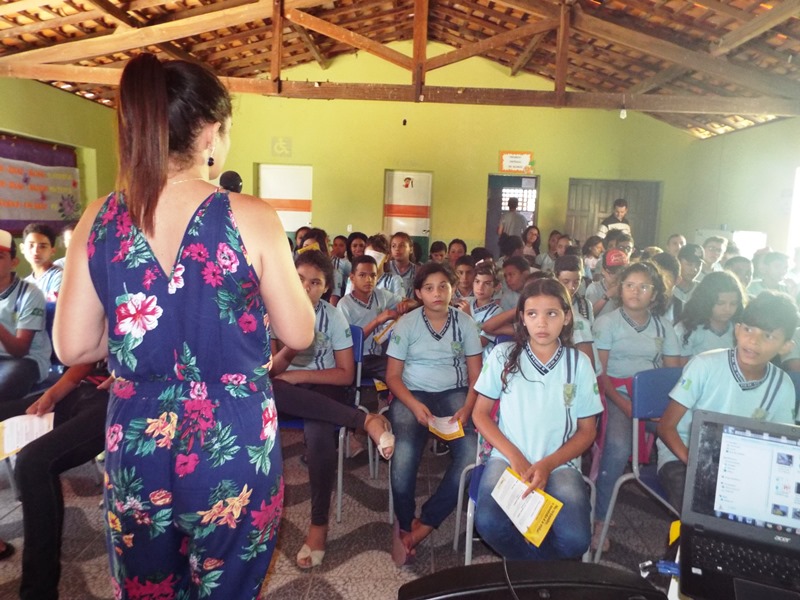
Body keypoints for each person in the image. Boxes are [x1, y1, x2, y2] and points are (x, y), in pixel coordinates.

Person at [53, 54, 315, 599]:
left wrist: (133, 331)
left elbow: (73, 344)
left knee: (148, 588)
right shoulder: (253, 217)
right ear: (212, 134)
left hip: (137, 438)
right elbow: (301, 333)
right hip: (233, 435)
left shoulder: (98, 219)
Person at [269, 250, 394, 568]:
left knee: (320, 432)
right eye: (299, 280)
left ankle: (318, 525)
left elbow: (346, 374)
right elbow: (269, 373)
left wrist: (299, 375)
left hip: (326, 388)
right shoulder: (272, 311)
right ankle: (364, 420)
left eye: (315, 283)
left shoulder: (333, 315)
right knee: (272, 390)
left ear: (325, 289)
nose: (305, 288)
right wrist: (292, 346)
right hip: (284, 393)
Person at [472, 278, 602, 560]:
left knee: (576, 539)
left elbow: (587, 431)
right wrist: (516, 458)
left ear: (567, 318)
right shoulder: (503, 356)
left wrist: (547, 464)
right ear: (522, 319)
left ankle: (530, 573)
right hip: (507, 459)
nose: (541, 323)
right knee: (488, 523)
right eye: (532, 314)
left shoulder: (578, 363)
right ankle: (539, 572)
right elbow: (479, 414)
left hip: (560, 463)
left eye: (551, 313)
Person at [657, 292, 798, 511]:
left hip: (742, 464)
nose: (754, 340)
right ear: (738, 329)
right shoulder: (705, 365)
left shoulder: (782, 385)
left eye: (768, 336)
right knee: (701, 511)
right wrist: (696, 464)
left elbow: (781, 446)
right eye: (749, 329)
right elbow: (666, 428)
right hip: (684, 454)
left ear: (786, 346)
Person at [386, 262, 481, 565]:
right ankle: (403, 521)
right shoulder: (407, 323)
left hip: (454, 394)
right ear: (418, 293)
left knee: (470, 454)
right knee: (405, 453)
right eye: (429, 288)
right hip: (411, 394)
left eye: (443, 285)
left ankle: (424, 524)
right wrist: (413, 405)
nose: (437, 293)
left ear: (453, 288)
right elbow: (392, 377)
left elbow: (477, 376)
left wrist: (467, 407)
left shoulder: (465, 323)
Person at [0, 362, 109, 598]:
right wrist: (51, 395)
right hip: (81, 388)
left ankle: (38, 593)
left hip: (116, 398)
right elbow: (87, 359)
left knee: (34, 464)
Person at [592, 261, 681, 550]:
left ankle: (691, 520)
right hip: (615, 393)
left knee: (684, 437)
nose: (636, 291)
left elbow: (672, 373)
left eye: (644, 287)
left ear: (655, 294)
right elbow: (600, 374)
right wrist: (624, 404)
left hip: (653, 395)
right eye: (630, 285)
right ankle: (599, 519)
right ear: (621, 289)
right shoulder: (608, 322)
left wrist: (666, 409)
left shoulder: (663, 326)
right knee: (617, 448)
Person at [337, 255, 412, 381]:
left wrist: (405, 305)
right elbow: (349, 343)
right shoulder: (344, 305)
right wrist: (378, 320)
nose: (369, 280)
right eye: (362, 275)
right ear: (352, 278)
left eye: (373, 275)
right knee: (397, 373)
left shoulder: (380, 294)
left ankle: (386, 397)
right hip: (356, 359)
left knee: (406, 364)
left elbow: (410, 302)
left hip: (376, 355)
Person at [0, 228, 52, 402]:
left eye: (0, 257)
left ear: (14, 262)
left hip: (26, 361)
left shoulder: (29, 294)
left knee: (4, 386)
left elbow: (20, 350)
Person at [674, 271, 745, 364]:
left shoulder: (740, 329)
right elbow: (680, 370)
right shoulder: (688, 328)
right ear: (706, 301)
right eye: (720, 303)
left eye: (733, 304)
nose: (727, 309)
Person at [554, 255, 596, 370]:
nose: (571, 287)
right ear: (556, 278)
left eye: (576, 282)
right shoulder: (550, 305)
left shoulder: (585, 305)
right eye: (565, 282)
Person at [456, 262, 502, 358]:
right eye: (477, 281)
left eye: (487, 284)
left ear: (496, 287)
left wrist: (469, 316)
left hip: (481, 360)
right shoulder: (466, 302)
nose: (480, 288)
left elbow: (480, 343)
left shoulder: (497, 312)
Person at [21, 223, 63, 302]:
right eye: (31, 245)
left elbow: (52, 309)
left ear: (52, 251)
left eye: (42, 246)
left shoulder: (59, 276)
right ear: (22, 248)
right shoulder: (25, 283)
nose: (36, 251)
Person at [585, 248, 628, 319]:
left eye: (622, 273)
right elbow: (589, 316)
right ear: (603, 270)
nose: (617, 276)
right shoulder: (594, 288)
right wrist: (607, 295)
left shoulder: (627, 288)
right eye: (613, 272)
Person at [672, 243, 704, 322]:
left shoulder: (703, 289)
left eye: (698, 265)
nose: (694, 269)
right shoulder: (668, 287)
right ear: (678, 262)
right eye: (689, 264)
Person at [388, 231, 417, 299]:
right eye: (393, 246)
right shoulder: (385, 268)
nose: (397, 249)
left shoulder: (417, 271)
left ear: (411, 249)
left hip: (411, 308)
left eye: (402, 245)